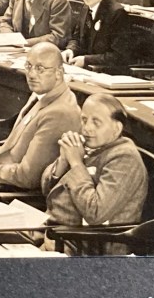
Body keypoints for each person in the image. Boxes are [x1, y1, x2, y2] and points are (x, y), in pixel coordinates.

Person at [0, 43, 79, 190]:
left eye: (40, 69)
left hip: (6, 193)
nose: (31, 74)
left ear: (59, 72)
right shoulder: (43, 94)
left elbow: (27, 177)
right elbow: (26, 147)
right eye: (28, 66)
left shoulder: (59, 112)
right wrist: (2, 150)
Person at [40, 94, 148, 236]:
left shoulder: (125, 158)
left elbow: (96, 213)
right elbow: (46, 190)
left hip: (80, 245)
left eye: (96, 122)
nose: (87, 128)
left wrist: (76, 163)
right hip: (50, 231)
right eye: (84, 120)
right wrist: (63, 160)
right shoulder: (91, 145)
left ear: (117, 128)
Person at [61, 0, 133, 73]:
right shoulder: (86, 7)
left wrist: (86, 60)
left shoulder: (117, 13)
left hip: (106, 73)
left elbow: (118, 56)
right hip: (86, 70)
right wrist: (70, 50)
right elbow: (76, 38)